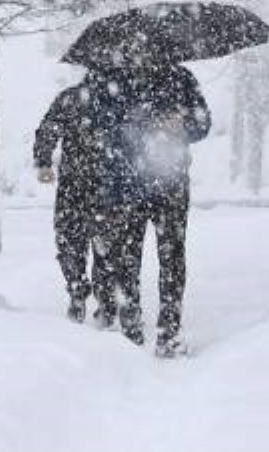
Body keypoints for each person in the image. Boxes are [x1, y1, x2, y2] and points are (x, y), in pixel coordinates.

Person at [92, 63, 210, 358]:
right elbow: (101, 126)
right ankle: (130, 328)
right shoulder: (114, 80)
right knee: (127, 258)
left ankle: (169, 331)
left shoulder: (182, 78)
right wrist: (138, 124)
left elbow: (203, 123)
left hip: (171, 185)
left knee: (171, 257)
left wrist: (183, 125)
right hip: (128, 184)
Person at [33, 72, 115, 327]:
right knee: (105, 246)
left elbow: (47, 129)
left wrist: (45, 161)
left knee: (72, 242)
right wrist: (44, 161)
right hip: (105, 186)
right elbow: (48, 129)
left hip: (76, 184)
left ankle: (79, 291)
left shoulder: (71, 98)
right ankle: (101, 300)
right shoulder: (117, 98)